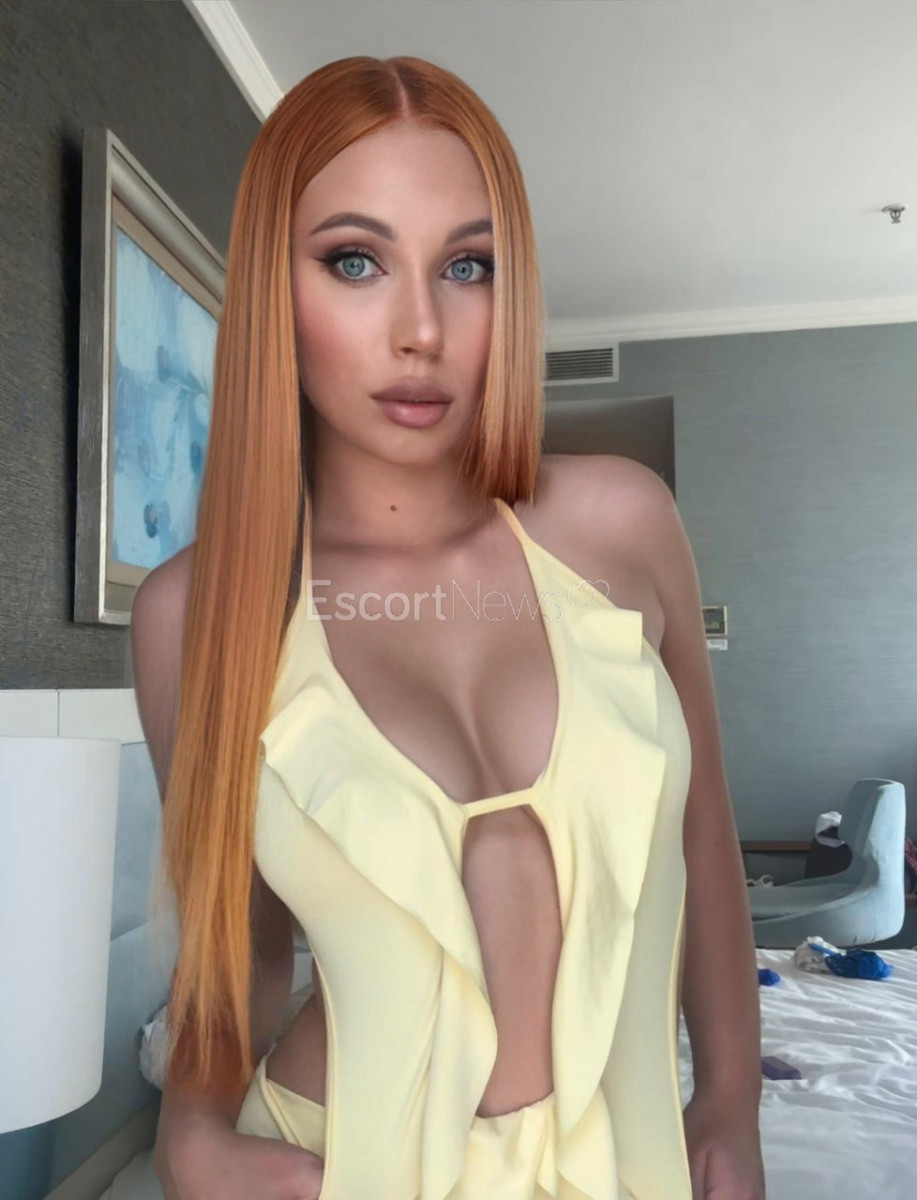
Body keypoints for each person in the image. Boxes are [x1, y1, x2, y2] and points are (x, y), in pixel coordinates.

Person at [131, 55, 766, 1200]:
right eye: (354, 261)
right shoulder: (196, 614)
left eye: (466, 265)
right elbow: (240, 948)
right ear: (274, 287)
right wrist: (189, 1131)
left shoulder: (620, 521)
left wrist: (729, 1095)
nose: (420, 328)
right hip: (341, 1161)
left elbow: (701, 822)